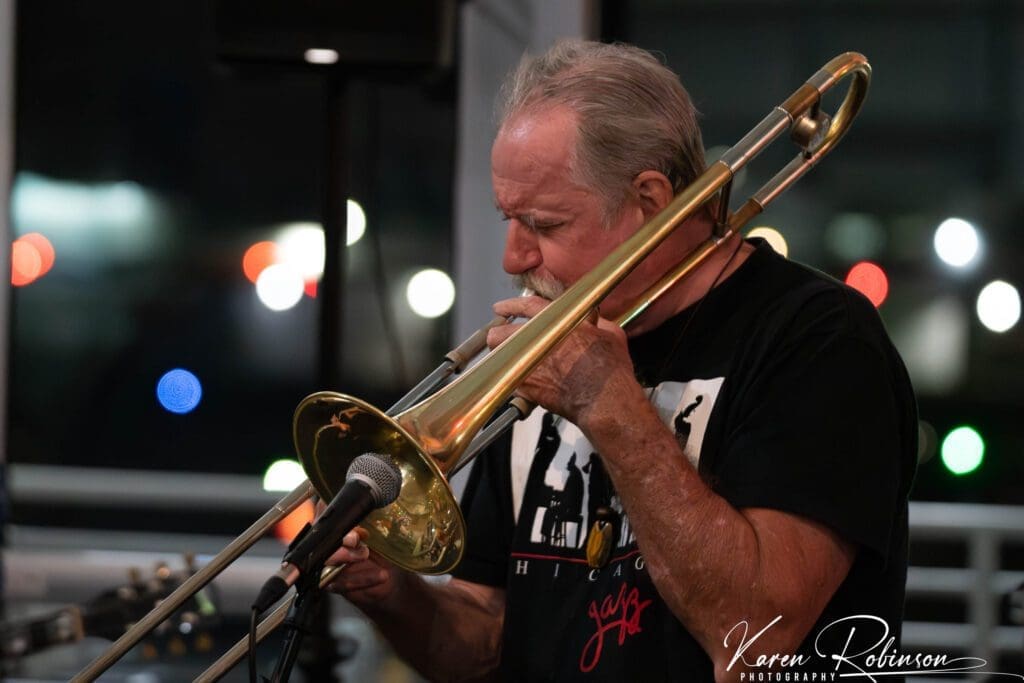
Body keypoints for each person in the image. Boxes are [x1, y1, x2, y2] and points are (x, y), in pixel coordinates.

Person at [326, 39, 917, 681]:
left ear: (651, 201)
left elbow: (756, 641)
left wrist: (610, 407)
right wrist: (394, 595)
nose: (512, 257)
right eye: (507, 219)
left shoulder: (819, 337)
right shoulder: (555, 349)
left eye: (544, 224)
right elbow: (486, 637)